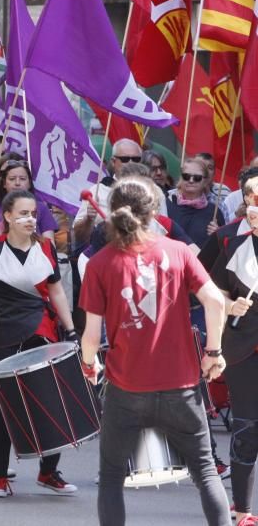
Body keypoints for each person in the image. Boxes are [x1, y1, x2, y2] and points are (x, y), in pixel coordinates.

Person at [80, 176, 231, 526]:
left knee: (113, 476)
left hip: (126, 386)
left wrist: (89, 365)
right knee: (205, 471)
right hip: (181, 384)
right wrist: (213, 351)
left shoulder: (100, 263)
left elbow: (90, 336)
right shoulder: (177, 251)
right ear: (155, 212)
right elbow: (214, 302)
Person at [0, 190, 79, 497]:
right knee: (5, 409)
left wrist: (70, 329)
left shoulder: (45, 246)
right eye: (22, 213)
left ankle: (48, 472)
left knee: (50, 403)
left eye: (33, 213)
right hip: (1, 334)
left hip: (40, 330)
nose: (30, 219)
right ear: (6, 217)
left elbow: (56, 291)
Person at [209, 177, 258, 526]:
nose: (254, 204)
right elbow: (206, 288)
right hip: (244, 347)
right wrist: (228, 305)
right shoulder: (228, 237)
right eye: (250, 197)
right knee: (246, 427)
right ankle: (242, 510)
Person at [0, 161, 57, 241]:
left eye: (22, 179)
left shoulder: (41, 207)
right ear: (4, 184)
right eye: (12, 179)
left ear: (29, 183)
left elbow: (49, 244)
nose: (17, 183)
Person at [168, 156, 224, 247]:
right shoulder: (167, 205)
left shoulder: (214, 211)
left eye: (197, 178)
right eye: (186, 176)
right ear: (181, 178)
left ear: (205, 181)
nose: (191, 181)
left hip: (201, 260)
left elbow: (223, 247)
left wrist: (219, 234)